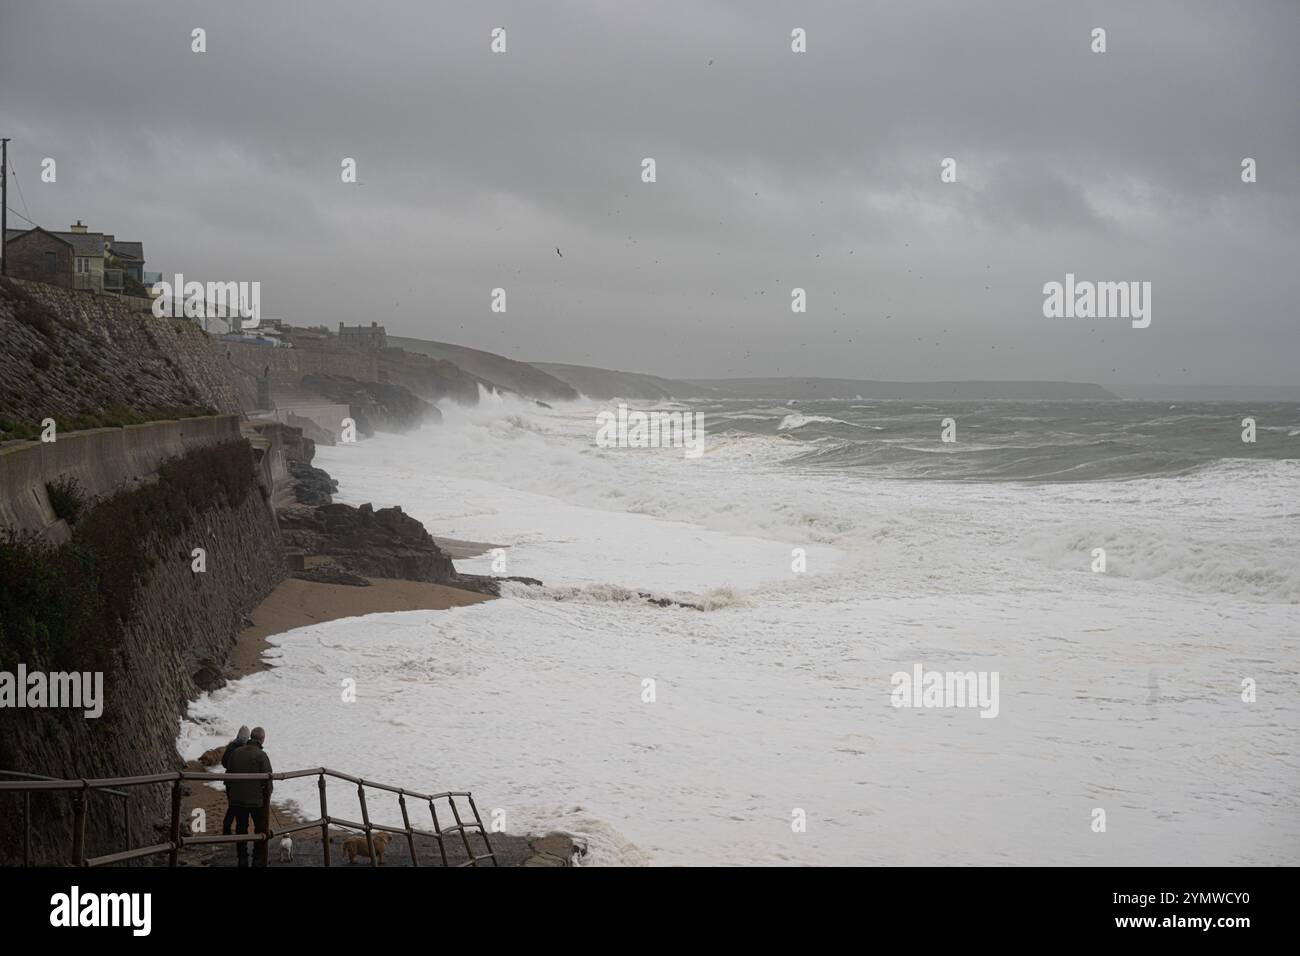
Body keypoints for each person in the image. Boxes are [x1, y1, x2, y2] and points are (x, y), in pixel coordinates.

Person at [225, 726, 273, 867]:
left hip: (237, 799)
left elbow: (228, 776)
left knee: (241, 829)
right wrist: (267, 798)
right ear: (262, 739)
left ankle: (242, 859)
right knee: (259, 828)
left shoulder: (236, 752)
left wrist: (231, 797)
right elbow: (268, 780)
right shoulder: (261, 755)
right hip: (255, 801)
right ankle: (257, 859)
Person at [219, 725, 250, 842]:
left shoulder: (231, 746)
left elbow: (224, 763)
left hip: (230, 782)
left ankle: (228, 829)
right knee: (235, 807)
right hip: (239, 784)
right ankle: (230, 830)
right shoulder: (245, 748)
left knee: (233, 806)